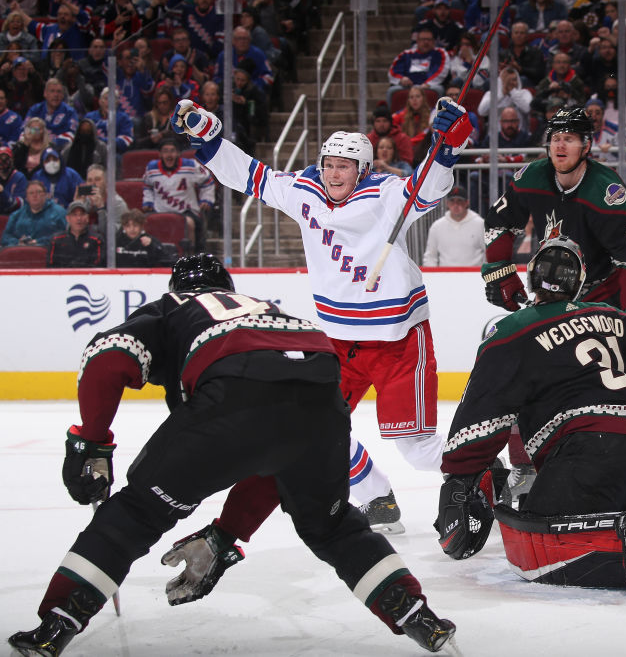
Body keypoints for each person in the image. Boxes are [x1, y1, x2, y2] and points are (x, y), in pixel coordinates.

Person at [5, 254, 457, 657]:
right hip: (323, 401)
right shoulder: (268, 309)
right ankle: (417, 614)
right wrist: (226, 535)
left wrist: (92, 440)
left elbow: (105, 358)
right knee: (334, 527)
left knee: (136, 513)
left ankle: (58, 622)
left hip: (233, 393)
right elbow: (274, 454)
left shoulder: (175, 307)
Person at [166, 94, 471, 537]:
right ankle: (375, 496)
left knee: (416, 448)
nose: (333, 173)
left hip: (397, 340)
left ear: (362, 170)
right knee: (312, 426)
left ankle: (487, 471)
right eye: (329, 163)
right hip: (339, 343)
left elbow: (427, 187)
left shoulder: (386, 196)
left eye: (344, 166)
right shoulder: (304, 191)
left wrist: (447, 148)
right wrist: (209, 137)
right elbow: (251, 177)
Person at [436, 236, 626, 592]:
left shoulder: (511, 331)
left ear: (531, 277)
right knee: (611, 500)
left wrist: (461, 472)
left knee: (540, 519)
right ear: (578, 283)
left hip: (585, 451)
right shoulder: (611, 316)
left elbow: (483, 415)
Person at [482, 106, 626, 492]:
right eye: (555, 137)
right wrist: (499, 269)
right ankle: (524, 461)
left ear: (586, 146)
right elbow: (499, 221)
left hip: (600, 297)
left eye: (569, 138)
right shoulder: (532, 176)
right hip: (551, 290)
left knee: (624, 375)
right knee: (520, 369)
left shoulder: (607, 191)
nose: (560, 145)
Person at [142, 137, 215, 251]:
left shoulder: (191, 165)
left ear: (178, 153)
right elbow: (147, 186)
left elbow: (208, 180)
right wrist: (148, 202)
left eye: (172, 151)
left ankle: (191, 255)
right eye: (165, 151)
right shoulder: (152, 168)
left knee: (188, 224)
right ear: (160, 154)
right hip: (159, 211)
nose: (169, 155)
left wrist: (206, 199)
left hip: (187, 211)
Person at [387, 26, 449, 109]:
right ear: (417, 41)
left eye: (429, 39)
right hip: (408, 85)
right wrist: (401, 79)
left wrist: (428, 83)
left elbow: (442, 71)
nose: (426, 42)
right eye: (423, 39)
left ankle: (440, 118)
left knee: (439, 89)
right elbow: (393, 71)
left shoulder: (440, 53)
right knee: (391, 90)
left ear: (433, 41)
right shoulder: (406, 54)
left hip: (429, 85)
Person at [422, 185, 484, 267]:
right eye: (452, 201)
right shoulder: (437, 226)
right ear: (447, 203)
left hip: (475, 275)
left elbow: (489, 254)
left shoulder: (480, 224)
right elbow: (430, 256)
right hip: (445, 277)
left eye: (459, 201)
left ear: (467, 203)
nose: (456, 205)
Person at [0, 179, 64, 246]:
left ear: (45, 195)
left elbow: (64, 236)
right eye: (31, 193)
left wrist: (37, 242)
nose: (35, 195)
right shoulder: (16, 215)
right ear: (26, 197)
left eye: (39, 192)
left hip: (47, 252)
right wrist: (18, 242)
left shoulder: (59, 212)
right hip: (20, 251)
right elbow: (5, 238)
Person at [46, 197, 103, 267]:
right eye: (74, 215)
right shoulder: (56, 240)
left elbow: (99, 266)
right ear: (68, 218)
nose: (78, 218)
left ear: (87, 218)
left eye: (82, 214)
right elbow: (51, 267)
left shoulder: (97, 240)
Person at [24, 78, 77, 151]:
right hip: (35, 148)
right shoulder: (35, 110)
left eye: (59, 92)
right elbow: (26, 129)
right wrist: (39, 139)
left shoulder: (70, 112)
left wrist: (50, 144)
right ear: (45, 93)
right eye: (52, 91)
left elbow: (71, 134)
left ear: (62, 95)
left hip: (59, 150)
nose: (56, 95)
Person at [367, 102, 414, 167]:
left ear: (390, 122)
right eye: (378, 121)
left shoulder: (403, 138)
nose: (381, 125)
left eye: (385, 121)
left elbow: (408, 164)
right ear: (373, 123)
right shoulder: (368, 139)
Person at [0, 144, 27, 214]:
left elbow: (19, 204)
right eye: (0, 158)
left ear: (12, 159)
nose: (3, 162)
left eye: (6, 158)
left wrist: (2, 192)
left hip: (14, 217)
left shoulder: (19, 177)